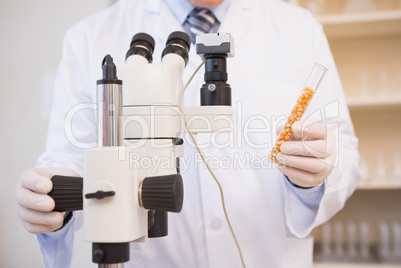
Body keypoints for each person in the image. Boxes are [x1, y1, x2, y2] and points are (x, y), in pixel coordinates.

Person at [15, 0, 361, 267]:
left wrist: (314, 178)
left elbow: (343, 150)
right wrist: (50, 202)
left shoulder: (298, 28)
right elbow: (69, 161)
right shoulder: (89, 36)